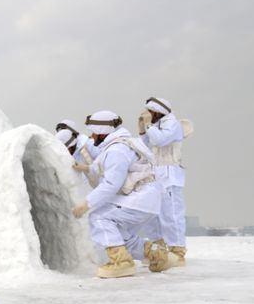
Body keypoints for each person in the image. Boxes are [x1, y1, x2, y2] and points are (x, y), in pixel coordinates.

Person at [72, 111, 168, 277]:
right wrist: (86, 168)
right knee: (118, 233)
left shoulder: (117, 150)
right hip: (147, 199)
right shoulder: (125, 143)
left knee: (98, 217)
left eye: (94, 132)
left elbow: (111, 184)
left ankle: (121, 263)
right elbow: (106, 167)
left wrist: (86, 204)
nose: (92, 137)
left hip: (139, 198)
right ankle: (155, 253)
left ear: (102, 131)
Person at [139, 97, 187, 266]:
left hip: (170, 174)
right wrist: (143, 131)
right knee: (153, 213)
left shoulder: (173, 124)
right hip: (155, 174)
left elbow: (160, 140)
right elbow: (145, 145)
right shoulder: (155, 126)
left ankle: (177, 251)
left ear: (158, 112)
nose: (148, 115)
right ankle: (159, 249)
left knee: (171, 214)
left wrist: (149, 126)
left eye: (150, 112)